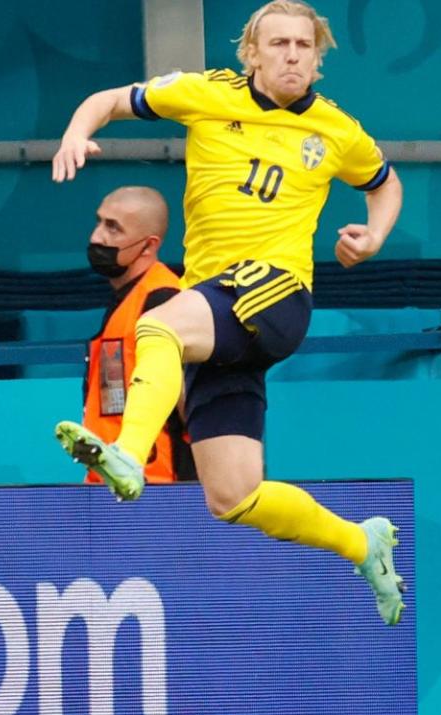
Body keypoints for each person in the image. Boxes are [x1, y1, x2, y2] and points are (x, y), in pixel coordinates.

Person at [49, 1, 406, 625]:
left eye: (304, 45)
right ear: (253, 53)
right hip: (222, 309)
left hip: (276, 292)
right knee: (233, 496)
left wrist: (374, 236)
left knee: (157, 325)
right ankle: (362, 542)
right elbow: (108, 99)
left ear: (318, 59)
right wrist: (77, 131)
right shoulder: (205, 93)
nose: (292, 54)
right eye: (279, 44)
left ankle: (128, 452)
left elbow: (384, 182)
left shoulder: (336, 130)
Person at [82, 186, 194, 485]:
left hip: (159, 485)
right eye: (99, 222)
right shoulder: (126, 299)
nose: (97, 237)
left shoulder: (165, 301)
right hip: (113, 483)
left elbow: (190, 402)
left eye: (113, 229)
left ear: (148, 246)